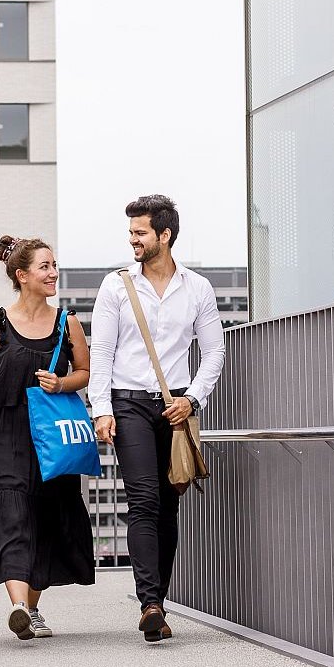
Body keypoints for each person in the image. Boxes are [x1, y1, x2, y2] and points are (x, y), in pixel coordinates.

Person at [89, 195, 225, 642]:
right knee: (144, 500)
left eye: (140, 233)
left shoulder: (197, 288)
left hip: (175, 409)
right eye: (131, 233)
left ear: (164, 235)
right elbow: (101, 353)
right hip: (128, 403)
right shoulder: (116, 286)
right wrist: (102, 410)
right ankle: (148, 601)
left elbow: (214, 351)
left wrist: (194, 399)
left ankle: (158, 601)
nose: (133, 240)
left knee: (169, 505)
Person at [0, 235, 96, 640]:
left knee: (47, 516)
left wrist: (61, 384)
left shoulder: (67, 322)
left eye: (54, 265)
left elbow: (85, 374)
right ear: (22, 276)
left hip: (51, 436)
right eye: (44, 266)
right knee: (10, 511)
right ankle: (19, 605)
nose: (53, 272)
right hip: (5, 432)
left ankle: (32, 608)